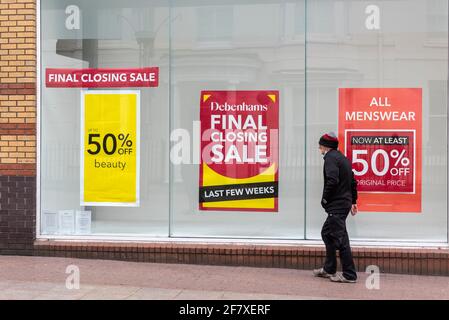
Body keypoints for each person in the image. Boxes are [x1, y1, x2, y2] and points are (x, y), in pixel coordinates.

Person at [313, 132, 358, 283]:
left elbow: (332, 180)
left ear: (326, 146)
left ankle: (349, 275)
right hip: (343, 203)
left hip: (337, 205)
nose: (319, 148)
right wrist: (354, 200)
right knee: (327, 233)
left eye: (320, 145)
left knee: (341, 239)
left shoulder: (331, 158)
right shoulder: (342, 158)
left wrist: (325, 199)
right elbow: (352, 181)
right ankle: (329, 268)